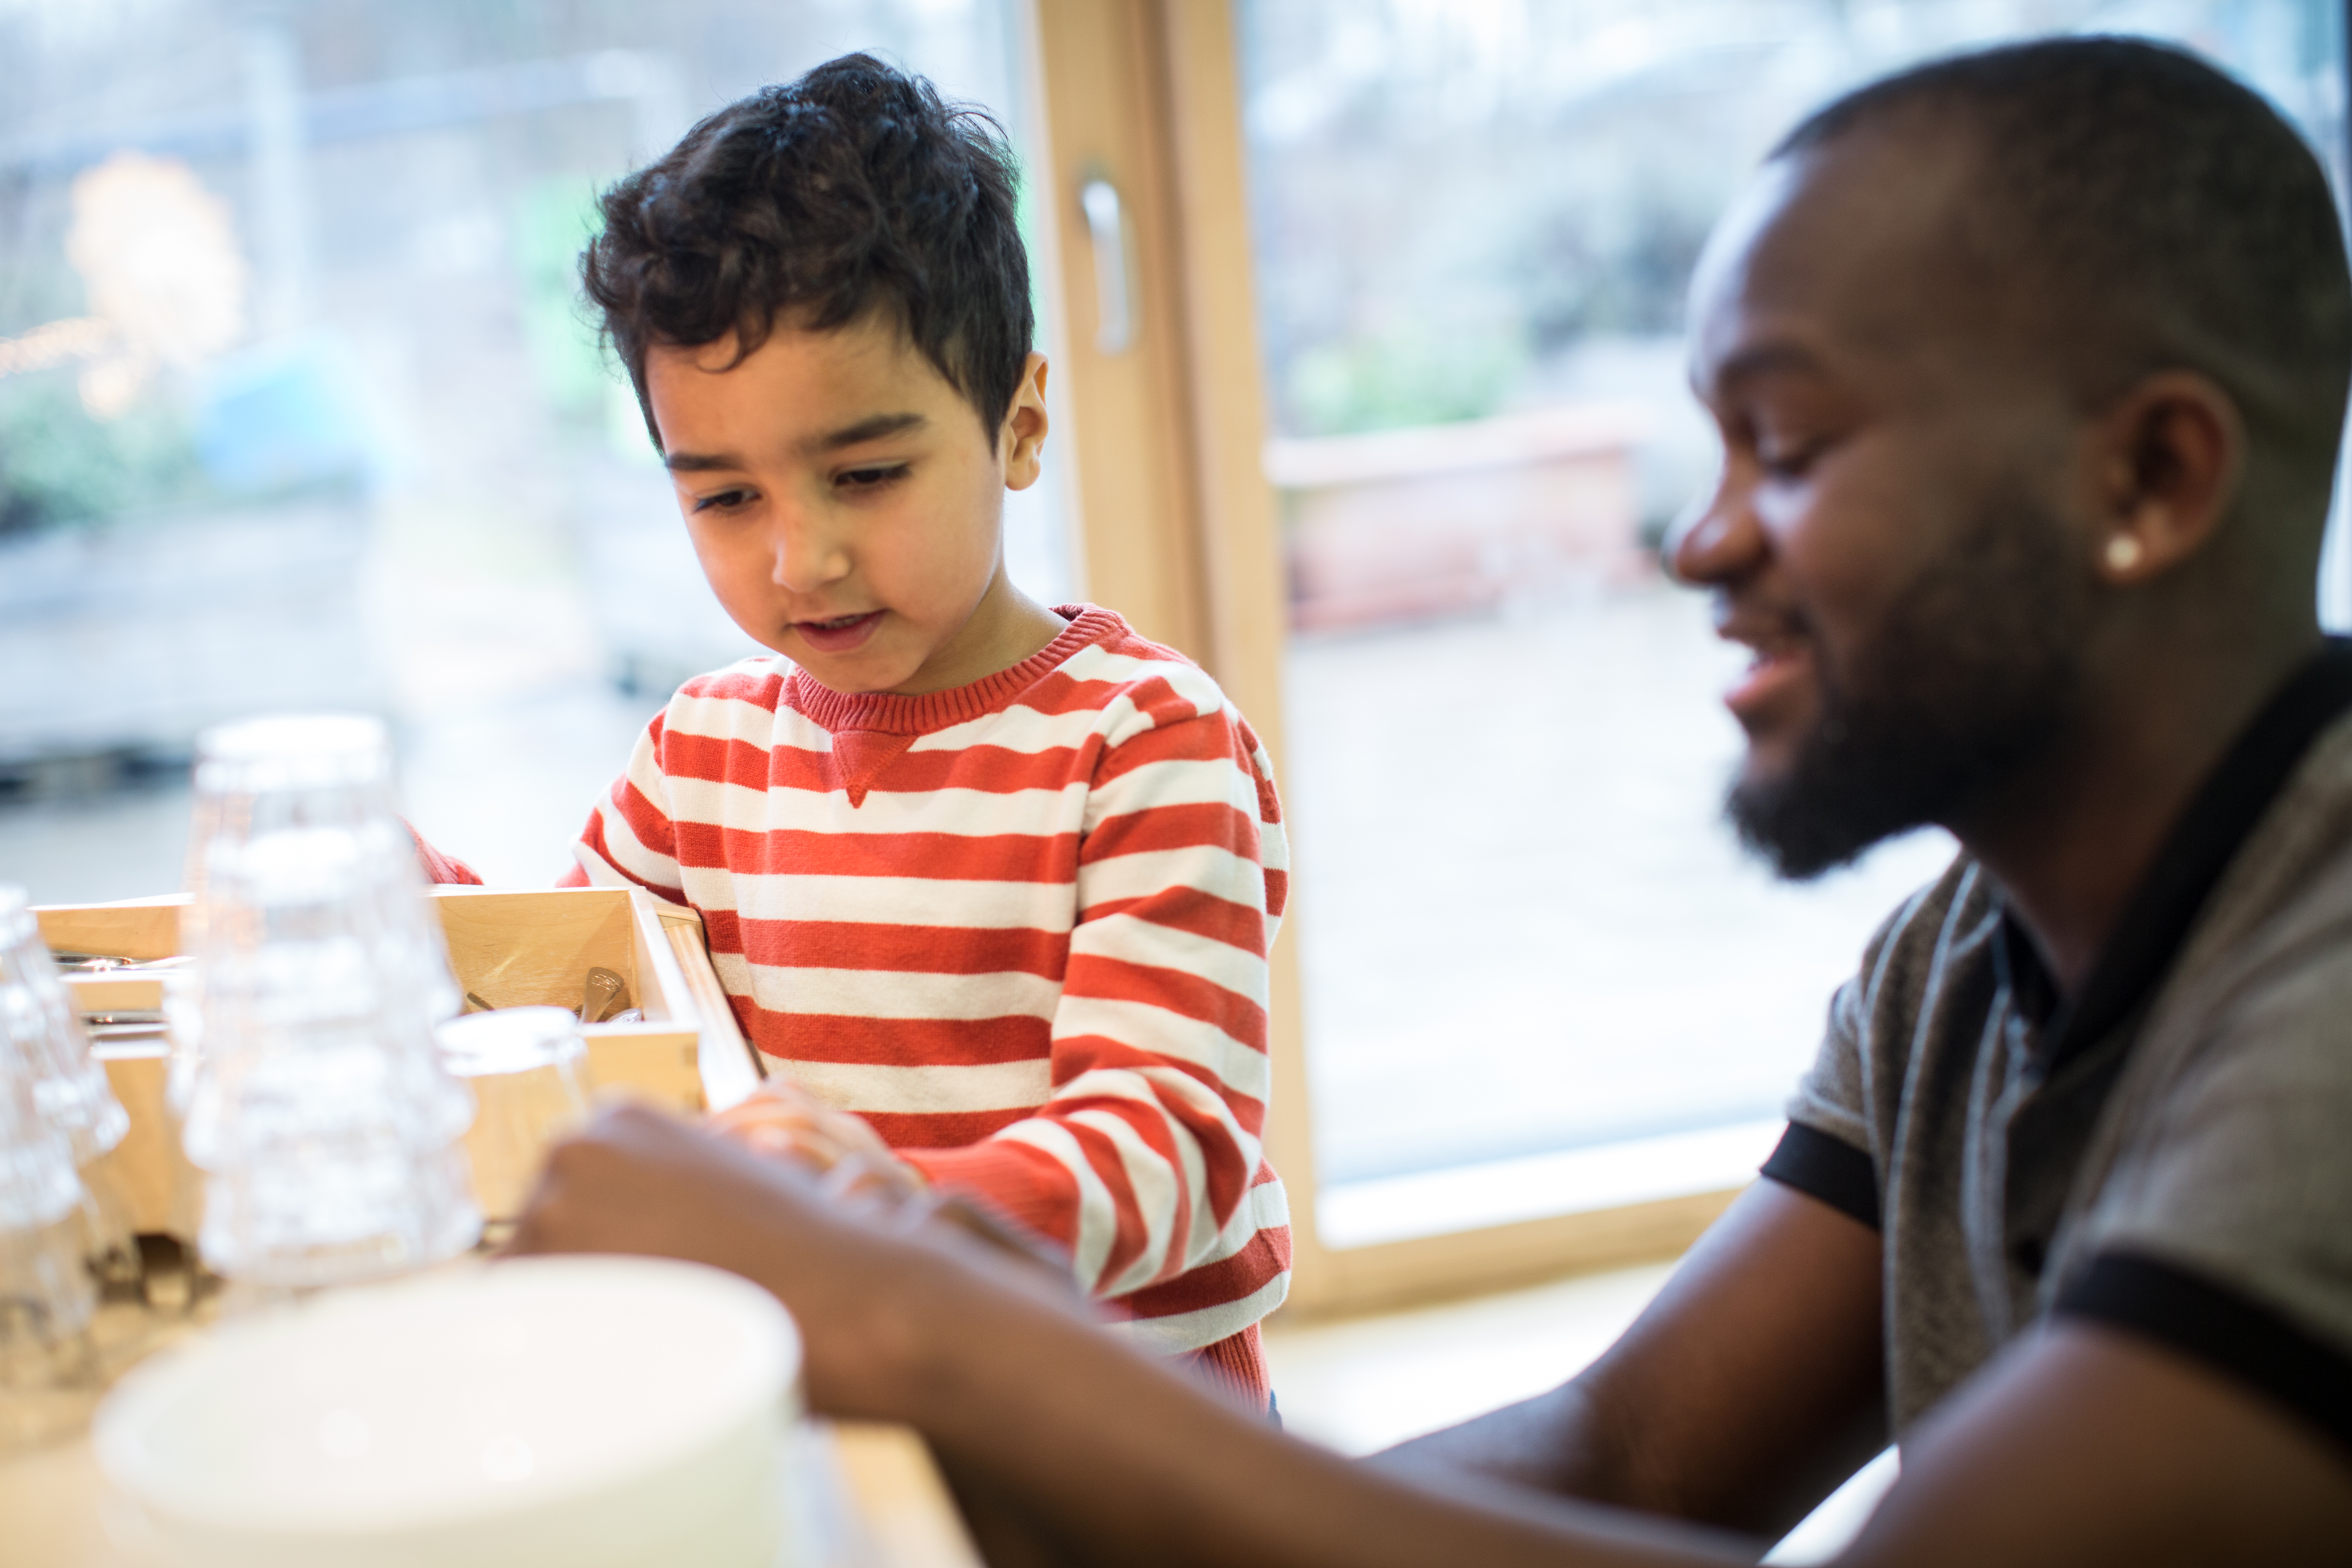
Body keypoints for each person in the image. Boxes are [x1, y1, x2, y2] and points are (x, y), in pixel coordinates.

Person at [510, 35, 2352, 1564]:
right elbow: (1629, 1457)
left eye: (1785, 450)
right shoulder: (1962, 963)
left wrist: (912, 1302)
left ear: (2156, 474)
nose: (1698, 539)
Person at [482, 54, 1293, 1408]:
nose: (802, 561)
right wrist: (419, 907)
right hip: (838, 1381)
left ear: (1019, 425)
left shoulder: (1146, 745)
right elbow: (590, 987)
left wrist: (876, 1220)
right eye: (728, 500)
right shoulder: (704, 752)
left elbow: (1173, 1142)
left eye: (865, 475)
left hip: (1119, 1425)